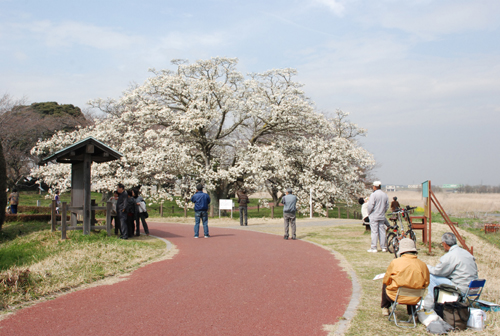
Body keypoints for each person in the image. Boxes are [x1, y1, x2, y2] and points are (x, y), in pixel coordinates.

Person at [423, 232, 478, 310]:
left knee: (431, 276)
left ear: (444, 244)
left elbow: (438, 272)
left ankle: (432, 303)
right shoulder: (466, 253)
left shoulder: (450, 256)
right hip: (473, 288)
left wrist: (427, 267)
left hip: (461, 289)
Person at [381, 238, 430, 316]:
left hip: (396, 296)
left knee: (385, 285)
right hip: (415, 297)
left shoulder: (395, 262)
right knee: (413, 285)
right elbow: (426, 283)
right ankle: (411, 312)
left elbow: (386, 280)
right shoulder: (422, 264)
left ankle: (385, 307)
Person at [367, 181, 389, 253]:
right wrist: (383, 212)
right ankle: (383, 247)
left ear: (374, 186)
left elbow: (371, 205)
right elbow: (387, 206)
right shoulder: (385, 195)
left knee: (374, 232)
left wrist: (369, 212)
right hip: (381, 215)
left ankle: (374, 247)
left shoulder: (373, 195)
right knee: (382, 231)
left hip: (374, 215)